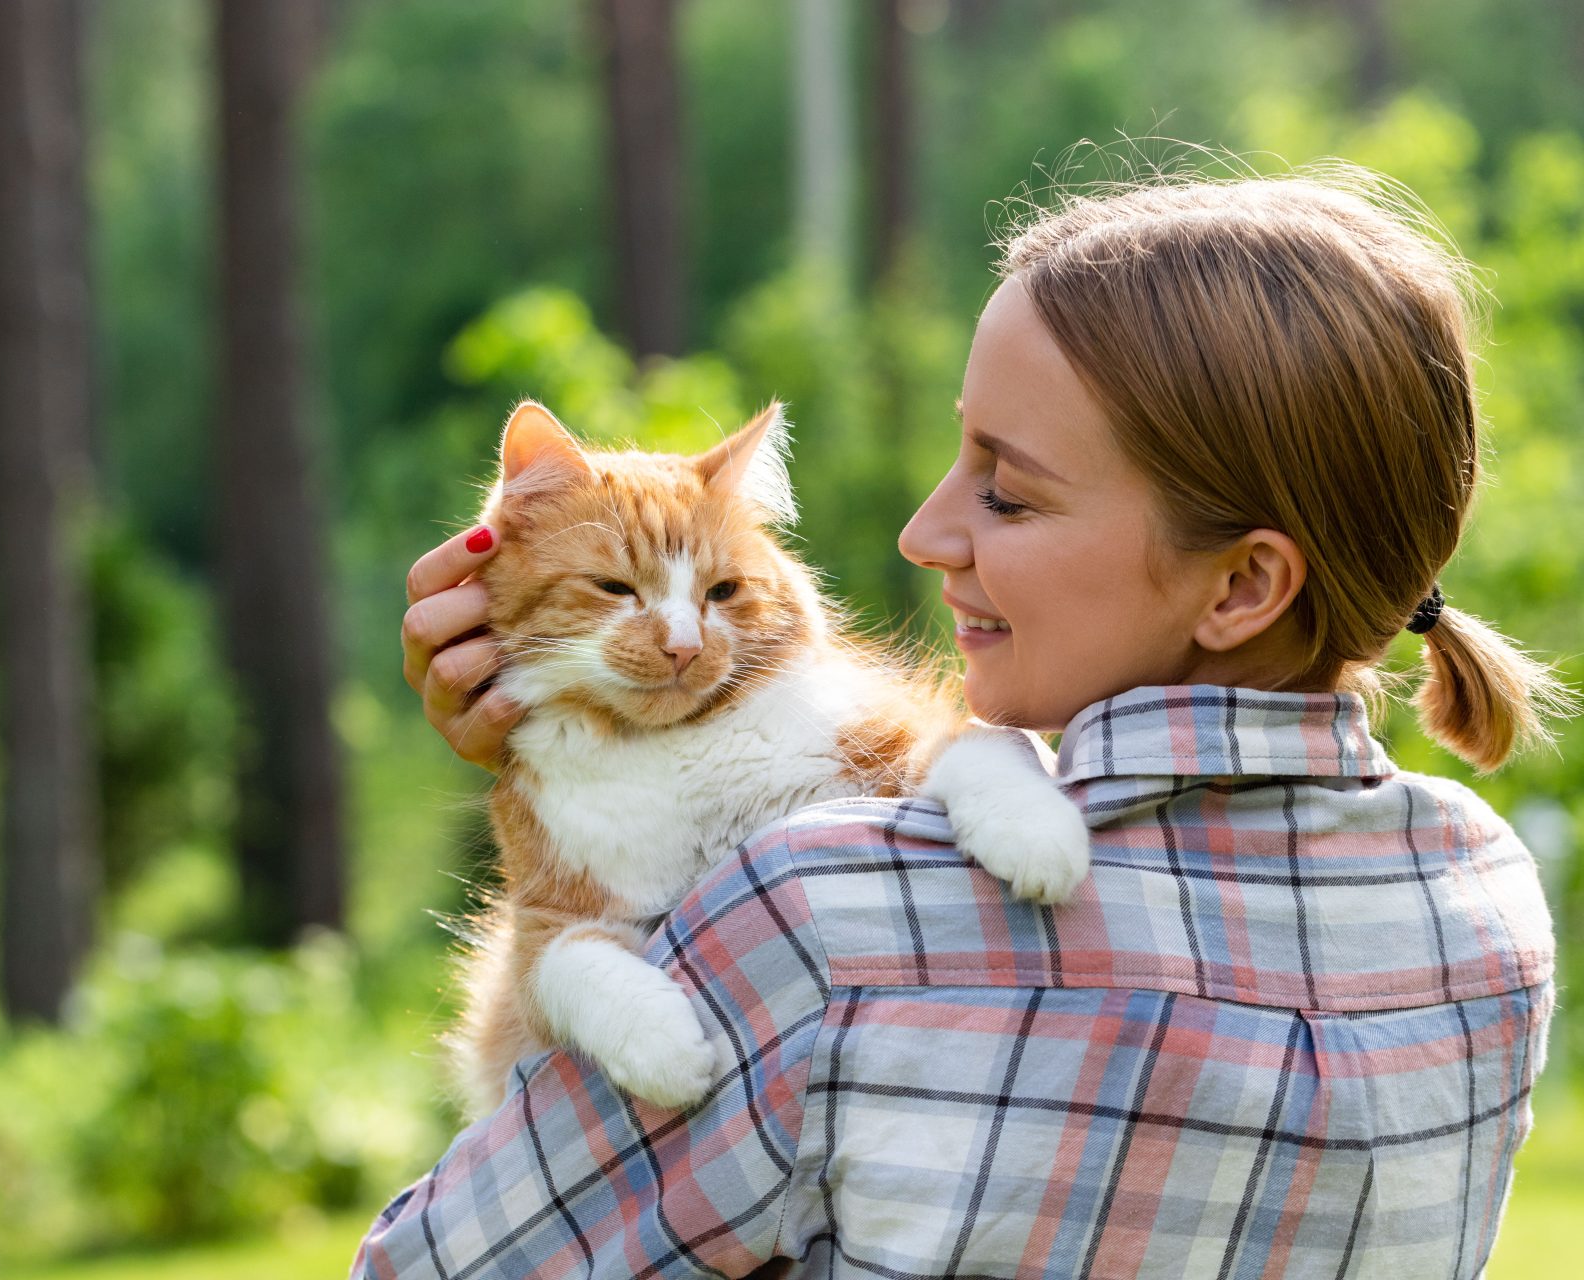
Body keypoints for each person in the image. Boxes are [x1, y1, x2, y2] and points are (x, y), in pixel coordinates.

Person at [355, 167, 1566, 1278]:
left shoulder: (830, 923)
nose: (922, 533)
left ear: (1243, 585)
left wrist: (563, 774)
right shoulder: (1485, 898)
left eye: (1007, 489)